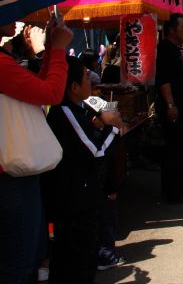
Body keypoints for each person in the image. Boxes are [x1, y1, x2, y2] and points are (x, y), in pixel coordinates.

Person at [0, 18, 72, 284]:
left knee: (22, 254)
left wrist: (52, 48)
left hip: (13, 169)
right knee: (18, 260)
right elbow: (51, 93)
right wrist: (59, 49)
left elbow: (35, 92)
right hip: (10, 174)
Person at [44, 57, 121, 283]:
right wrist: (113, 128)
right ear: (74, 87)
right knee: (76, 261)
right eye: (87, 76)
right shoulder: (65, 111)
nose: (92, 80)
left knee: (79, 258)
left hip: (78, 196)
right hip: (73, 201)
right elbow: (96, 153)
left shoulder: (76, 108)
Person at [156, 13, 183, 203]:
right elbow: (163, 80)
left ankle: (178, 189)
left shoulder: (174, 49)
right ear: (172, 29)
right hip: (175, 110)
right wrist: (171, 104)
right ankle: (175, 192)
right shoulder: (165, 49)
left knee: (180, 149)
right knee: (176, 150)